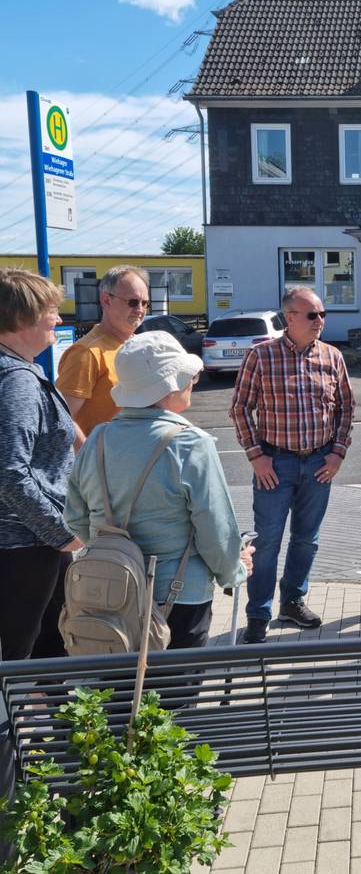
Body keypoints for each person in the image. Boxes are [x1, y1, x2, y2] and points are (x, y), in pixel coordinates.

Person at [65, 331, 252, 650]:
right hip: (178, 595)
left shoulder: (98, 439)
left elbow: (76, 518)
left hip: (111, 593)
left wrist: (114, 547)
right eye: (188, 375)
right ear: (170, 384)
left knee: (118, 694)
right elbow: (215, 531)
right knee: (174, 697)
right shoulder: (190, 443)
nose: (193, 380)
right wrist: (234, 569)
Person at [231, 286, 355, 643]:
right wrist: (256, 456)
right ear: (290, 318)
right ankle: (258, 614)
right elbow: (240, 408)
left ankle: (293, 601)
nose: (321, 321)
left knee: (307, 540)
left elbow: (346, 408)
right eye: (312, 315)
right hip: (276, 464)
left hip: (319, 463)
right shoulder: (261, 356)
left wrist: (337, 453)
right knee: (267, 541)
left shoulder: (332, 357)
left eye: (322, 314)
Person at [0, 269, 84, 661]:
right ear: (23, 317)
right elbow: (9, 472)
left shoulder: (21, 370)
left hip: (32, 544)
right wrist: (62, 534)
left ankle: (58, 718)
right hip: (25, 547)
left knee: (50, 644)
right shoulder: (16, 380)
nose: (59, 320)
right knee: (22, 652)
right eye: (52, 310)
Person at [56, 265, 151, 440]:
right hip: (104, 463)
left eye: (144, 303)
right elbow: (61, 418)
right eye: (133, 302)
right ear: (106, 300)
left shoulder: (140, 346)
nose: (140, 309)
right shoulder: (86, 353)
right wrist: (91, 459)